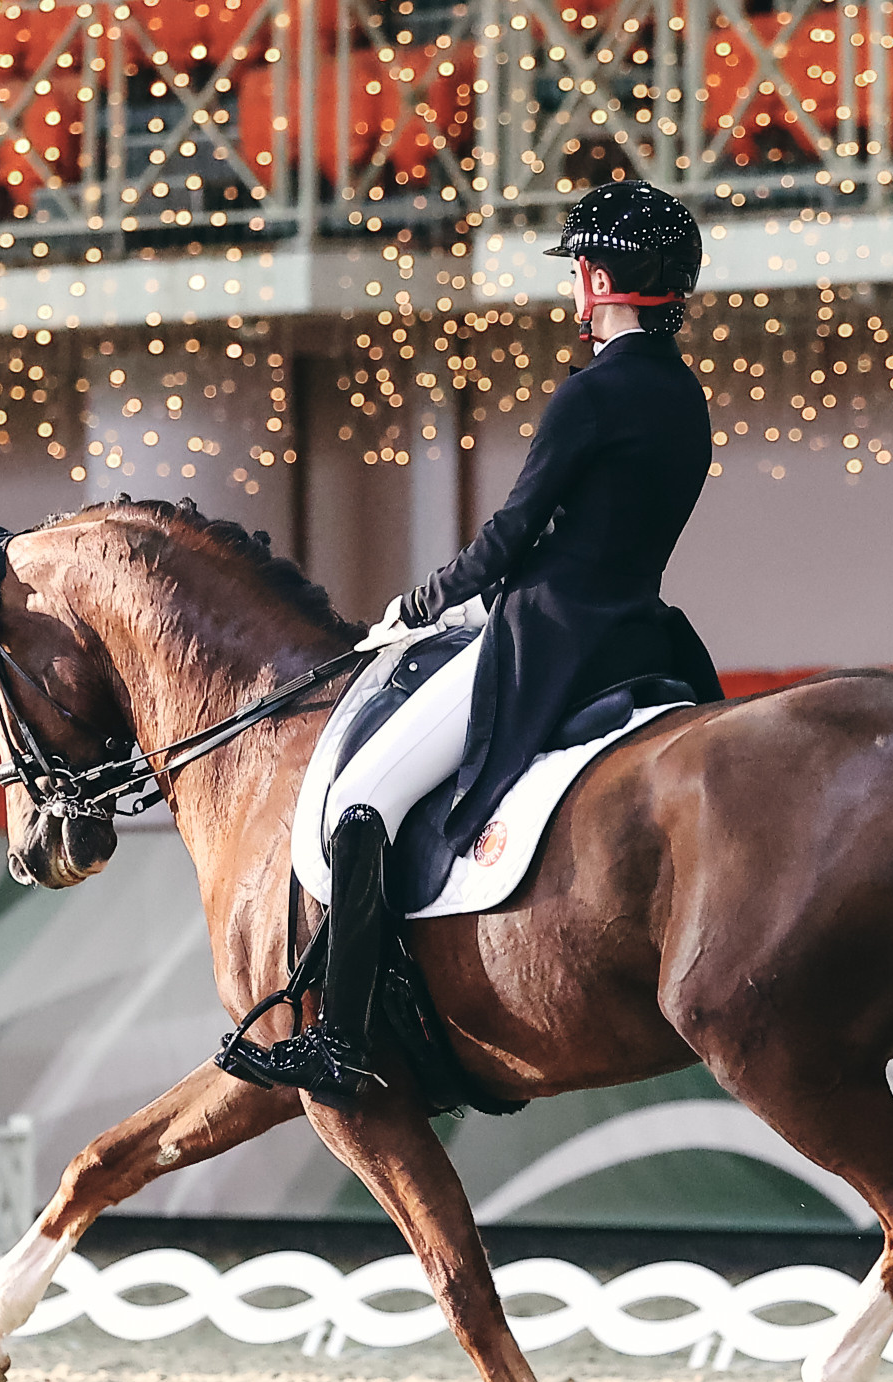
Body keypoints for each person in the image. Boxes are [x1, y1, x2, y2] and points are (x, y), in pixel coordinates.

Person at [223, 179, 724, 1107]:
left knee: (362, 795)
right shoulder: (685, 397)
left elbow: (514, 535)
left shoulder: (592, 394)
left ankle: (341, 1034)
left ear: (598, 276)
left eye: (578, 268)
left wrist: (424, 602)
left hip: (545, 637)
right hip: (639, 638)